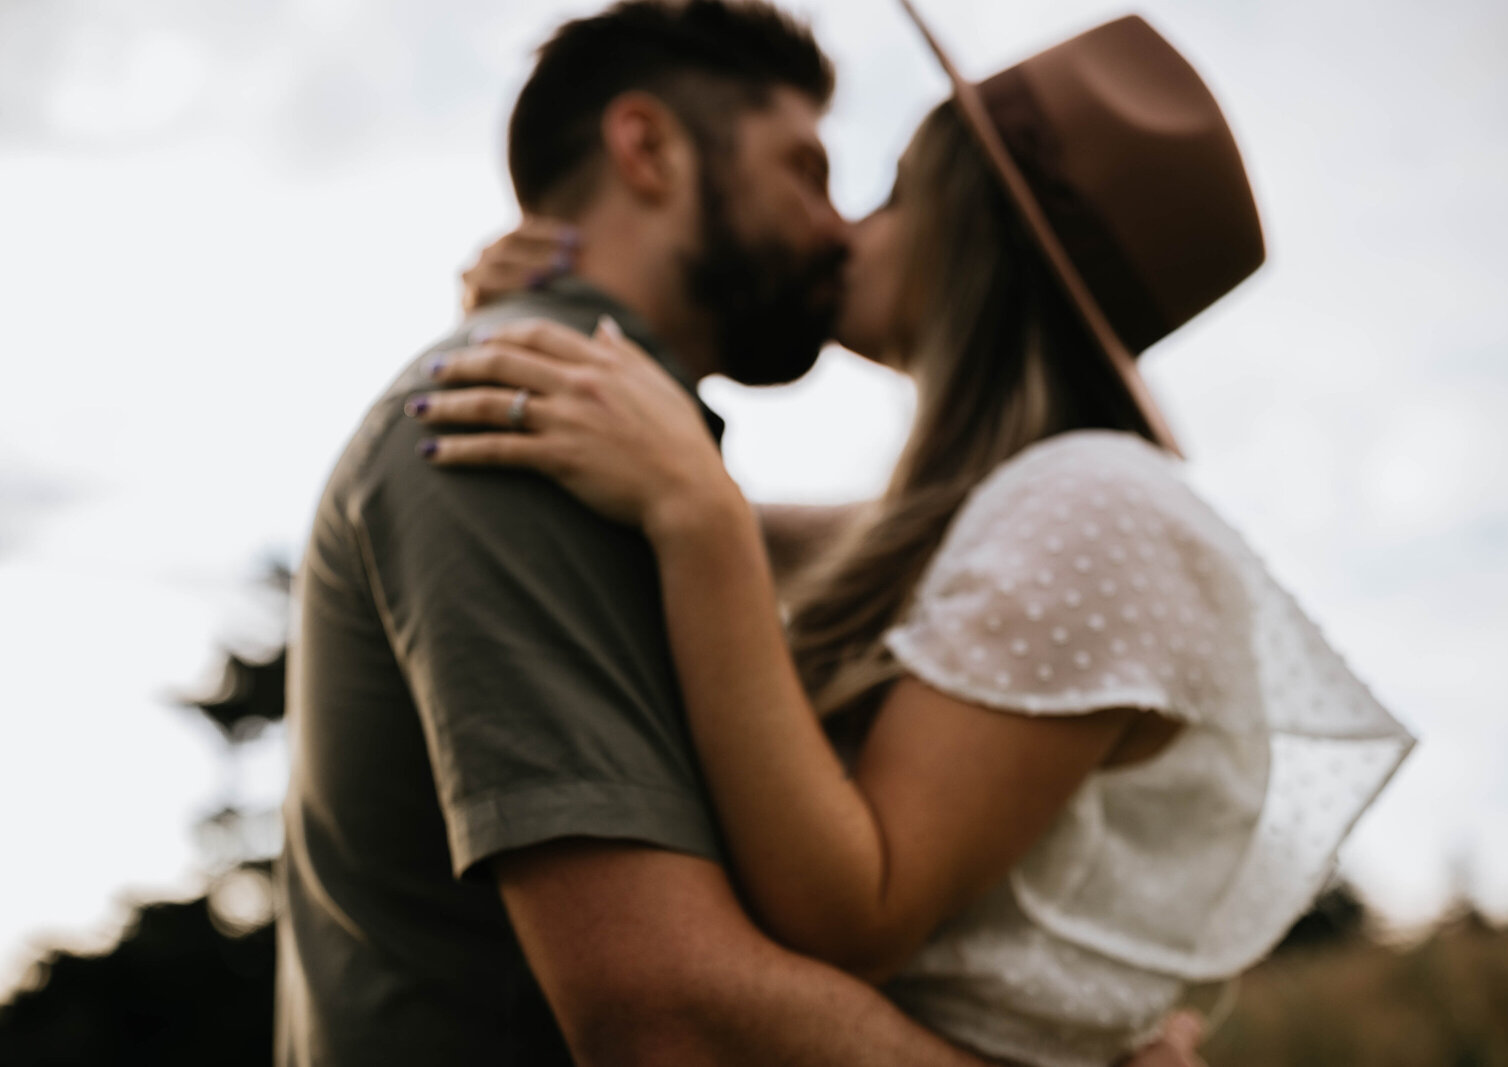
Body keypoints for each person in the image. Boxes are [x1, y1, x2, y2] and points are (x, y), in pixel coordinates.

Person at [411, 9, 1416, 1066]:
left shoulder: (1096, 508)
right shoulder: (1013, 516)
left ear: (972, 228)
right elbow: (780, 540)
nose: (842, 227)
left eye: (890, 193)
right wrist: (553, 341)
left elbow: (858, 909)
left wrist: (697, 515)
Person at [278, 0, 1206, 1064]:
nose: (837, 225)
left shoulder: (645, 463)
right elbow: (672, 1011)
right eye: (805, 169)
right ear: (649, 148)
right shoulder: (523, 413)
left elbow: (976, 563)